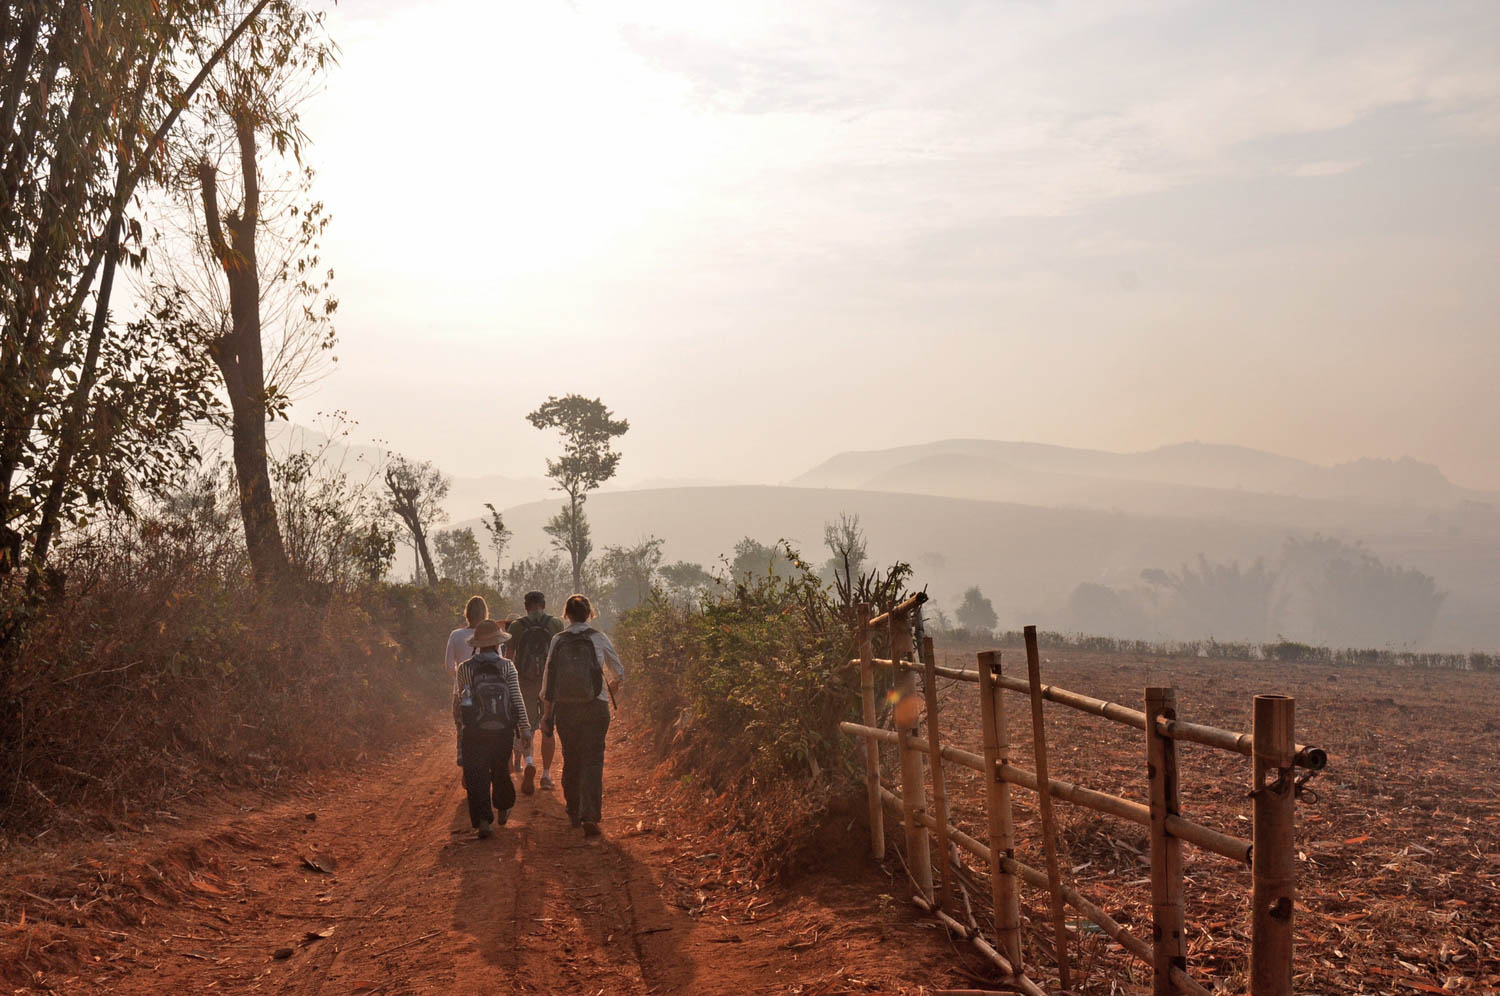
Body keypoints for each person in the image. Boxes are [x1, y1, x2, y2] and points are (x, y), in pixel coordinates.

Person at [539, 594, 622, 838]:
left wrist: (547, 713)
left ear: (567, 615)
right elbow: (618, 670)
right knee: (593, 760)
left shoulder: (558, 640)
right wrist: (613, 687)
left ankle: (574, 810)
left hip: (566, 709)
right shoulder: (599, 637)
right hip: (595, 707)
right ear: (589, 614)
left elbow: (549, 678)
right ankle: (590, 815)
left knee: (571, 757)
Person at [453, 619, 529, 839]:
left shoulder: (465, 668)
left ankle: (484, 820)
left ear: (476, 644)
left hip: (475, 729)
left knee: (476, 773)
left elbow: (463, 702)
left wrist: (463, 732)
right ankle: (503, 806)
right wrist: (524, 729)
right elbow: (516, 699)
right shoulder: (507, 666)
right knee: (500, 768)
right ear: (498, 644)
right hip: (502, 730)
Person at [504, 590, 564, 794]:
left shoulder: (517, 626)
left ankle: (529, 761)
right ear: (544, 604)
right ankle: (546, 775)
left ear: (526, 606)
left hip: (524, 683)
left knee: (525, 726)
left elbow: (508, 659)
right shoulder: (556, 624)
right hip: (548, 685)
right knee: (548, 728)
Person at [444, 596, 488, 765]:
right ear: (484, 614)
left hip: (461, 692)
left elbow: (449, 667)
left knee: (462, 727)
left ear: (466, 614)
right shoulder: (490, 635)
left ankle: (463, 755)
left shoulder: (456, 635)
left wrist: (461, 676)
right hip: (486, 692)